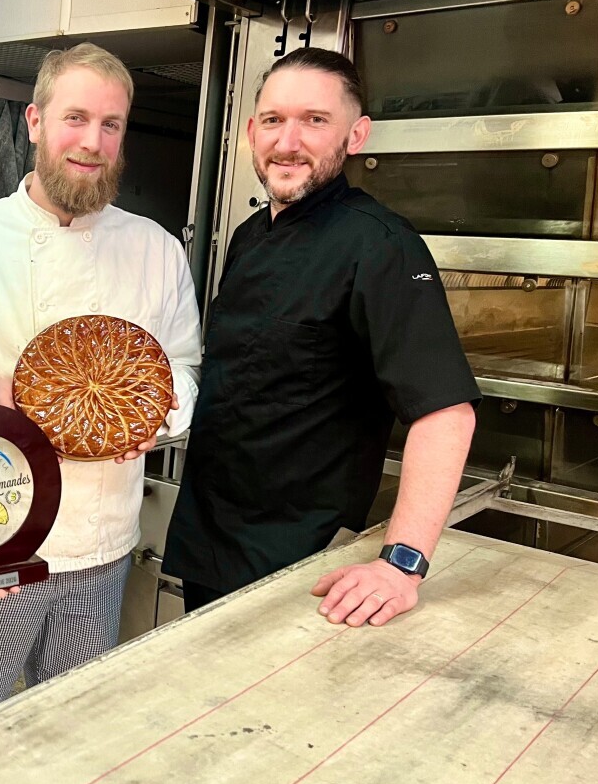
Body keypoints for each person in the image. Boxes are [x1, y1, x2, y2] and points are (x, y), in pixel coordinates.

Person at [0, 43, 202, 743]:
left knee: (76, 732)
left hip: (100, 542)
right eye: (76, 118)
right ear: (35, 121)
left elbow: (183, 366)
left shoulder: (156, 248)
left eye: (112, 125)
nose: (92, 143)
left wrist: (146, 413)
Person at [162, 47, 479, 627]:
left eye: (315, 121)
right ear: (252, 131)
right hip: (209, 540)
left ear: (355, 136)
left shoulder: (380, 244)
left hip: (302, 567)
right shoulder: (249, 237)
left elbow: (446, 413)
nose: (288, 142)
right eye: (274, 121)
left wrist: (401, 565)